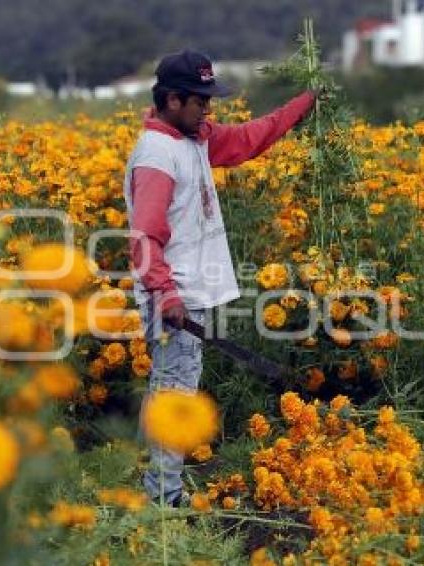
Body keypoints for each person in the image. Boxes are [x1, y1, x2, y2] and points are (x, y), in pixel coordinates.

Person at [123, 49, 316, 507]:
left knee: (166, 389)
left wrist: (300, 107)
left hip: (184, 290)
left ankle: (146, 485)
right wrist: (166, 293)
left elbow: (249, 139)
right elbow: (145, 236)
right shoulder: (158, 155)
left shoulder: (193, 139)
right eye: (200, 101)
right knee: (176, 396)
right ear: (172, 100)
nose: (209, 109)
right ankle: (163, 505)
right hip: (175, 296)